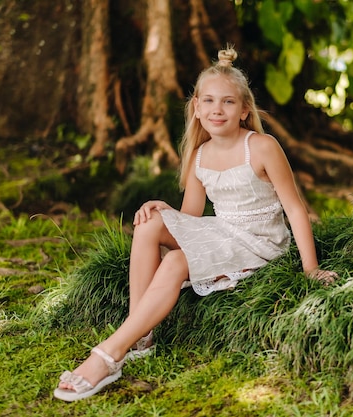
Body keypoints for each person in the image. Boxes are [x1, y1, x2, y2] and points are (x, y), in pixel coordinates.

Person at [53, 47, 338, 402]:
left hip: (258, 241)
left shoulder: (262, 147)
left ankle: (109, 355)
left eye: (228, 102)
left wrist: (310, 268)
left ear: (244, 110)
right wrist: (164, 213)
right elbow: (191, 220)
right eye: (209, 101)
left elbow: (295, 210)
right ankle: (140, 334)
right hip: (223, 230)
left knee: (174, 261)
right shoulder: (199, 154)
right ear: (197, 108)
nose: (218, 109)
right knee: (149, 222)